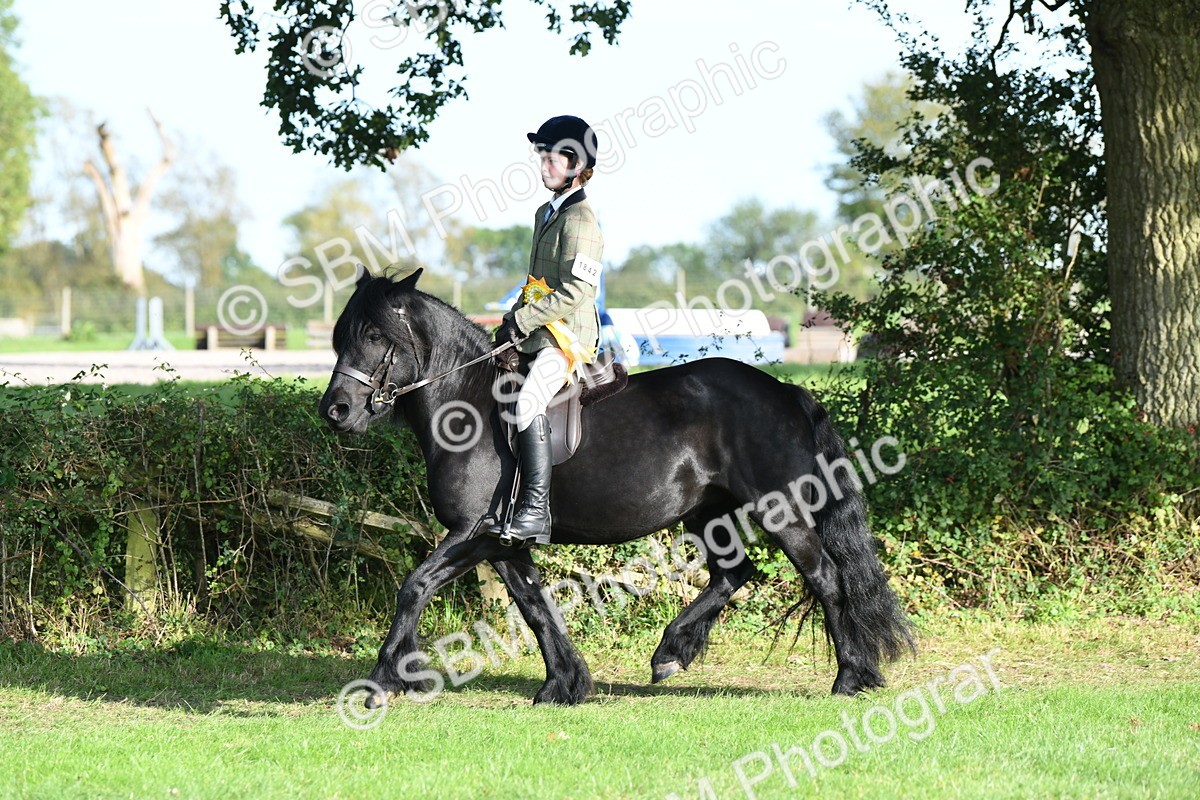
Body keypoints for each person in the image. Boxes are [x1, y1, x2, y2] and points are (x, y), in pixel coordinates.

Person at [487, 115, 604, 546]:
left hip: (569, 336)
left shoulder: (581, 221)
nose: (544, 165)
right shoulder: (545, 213)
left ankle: (536, 512)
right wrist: (508, 324)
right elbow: (536, 284)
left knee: (529, 401)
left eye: (553, 157)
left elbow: (576, 290)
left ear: (576, 164)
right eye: (542, 155)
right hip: (538, 330)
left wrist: (523, 320)